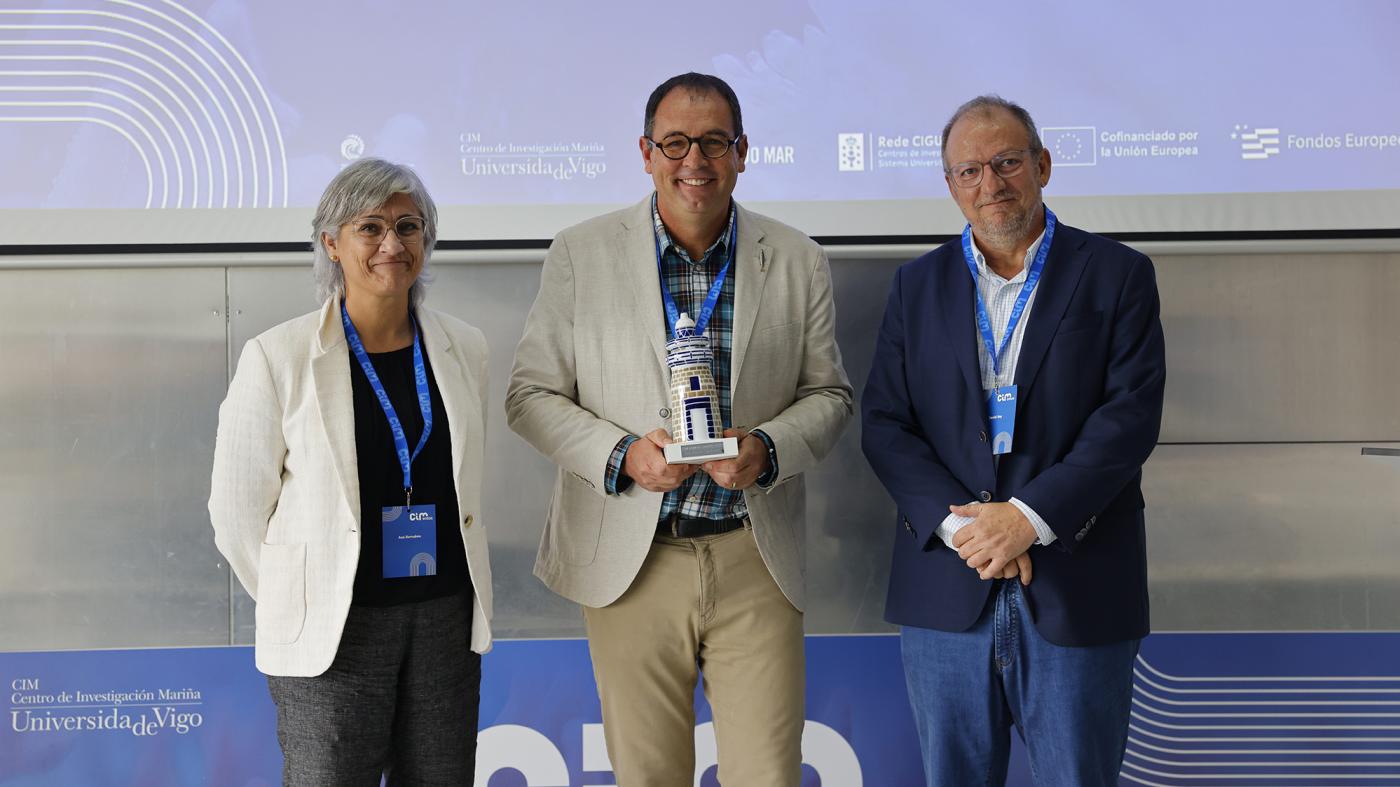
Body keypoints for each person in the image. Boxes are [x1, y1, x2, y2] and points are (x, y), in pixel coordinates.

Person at [505, 72, 852, 786]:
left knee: (769, 776)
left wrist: (768, 449)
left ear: (742, 152)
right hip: (635, 560)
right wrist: (622, 455)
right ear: (646, 153)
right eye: (675, 143)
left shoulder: (797, 258)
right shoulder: (580, 254)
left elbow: (830, 395)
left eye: (715, 142)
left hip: (753, 554)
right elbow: (530, 395)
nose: (695, 160)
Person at [861, 96, 1166, 786]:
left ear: (1043, 165)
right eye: (969, 171)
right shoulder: (915, 285)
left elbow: (1128, 419)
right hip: (949, 587)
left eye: (1006, 163)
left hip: (1077, 585)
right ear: (951, 185)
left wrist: (1026, 519)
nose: (990, 184)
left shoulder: (1117, 273)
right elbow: (885, 423)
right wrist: (968, 530)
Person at [209, 158, 494, 785]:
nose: (392, 244)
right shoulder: (277, 356)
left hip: (443, 618)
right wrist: (303, 594)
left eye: (408, 226)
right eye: (370, 227)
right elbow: (235, 514)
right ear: (331, 244)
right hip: (335, 629)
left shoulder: (464, 347)